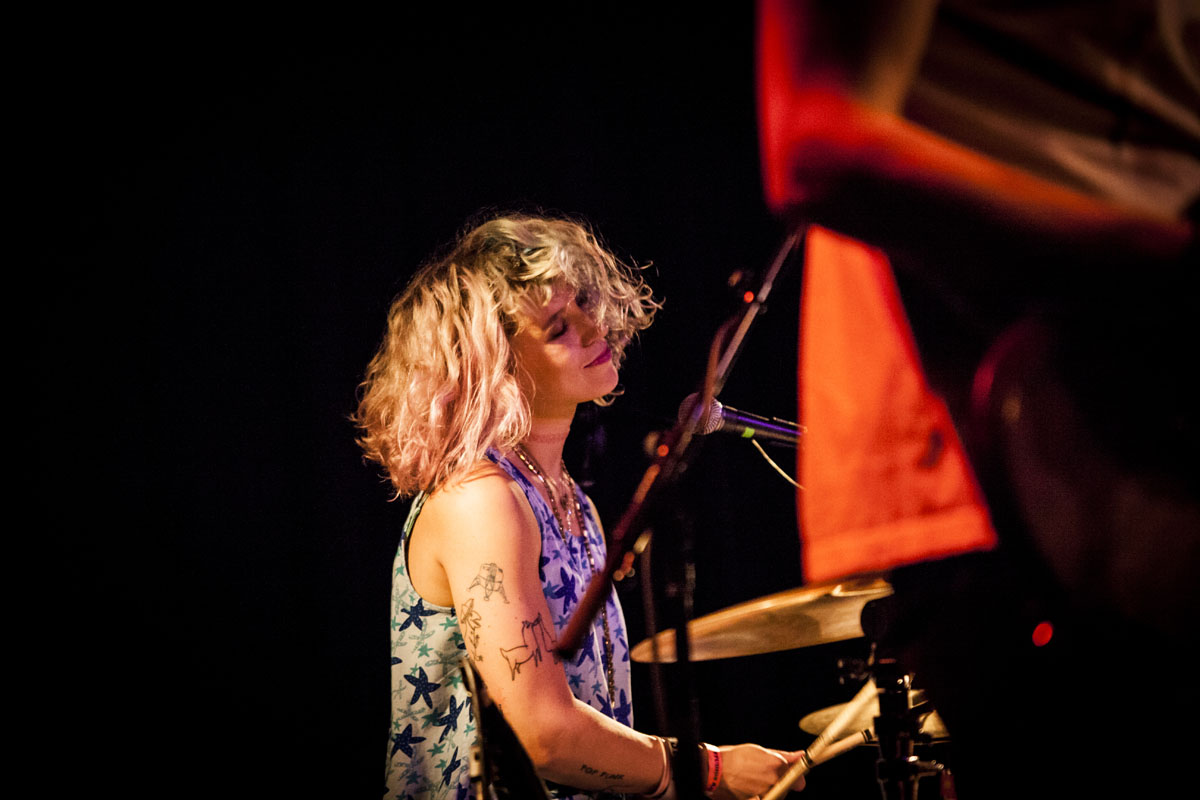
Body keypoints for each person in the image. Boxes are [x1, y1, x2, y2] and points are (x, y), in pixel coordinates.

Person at [355, 213, 808, 800]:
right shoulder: (482, 499)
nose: (596, 329)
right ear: (496, 365)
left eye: (587, 305)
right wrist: (712, 770)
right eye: (557, 328)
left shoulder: (572, 503)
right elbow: (544, 736)